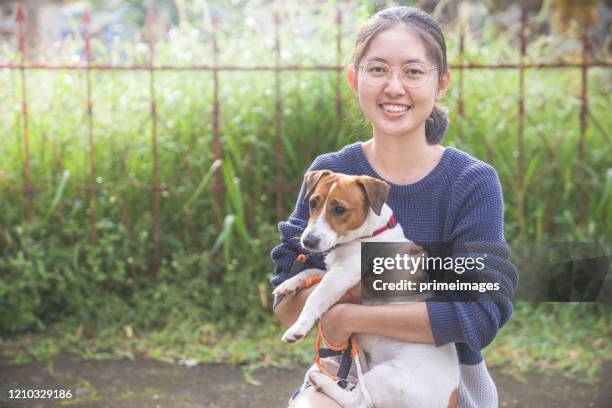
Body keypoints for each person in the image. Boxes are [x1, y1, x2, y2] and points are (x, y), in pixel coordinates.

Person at [270, 6, 518, 408]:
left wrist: (349, 313)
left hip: (439, 382)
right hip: (349, 373)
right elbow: (285, 302)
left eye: (414, 72)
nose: (394, 87)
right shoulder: (332, 175)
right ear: (355, 78)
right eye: (378, 69)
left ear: (441, 83)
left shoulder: (471, 181)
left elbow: (480, 317)